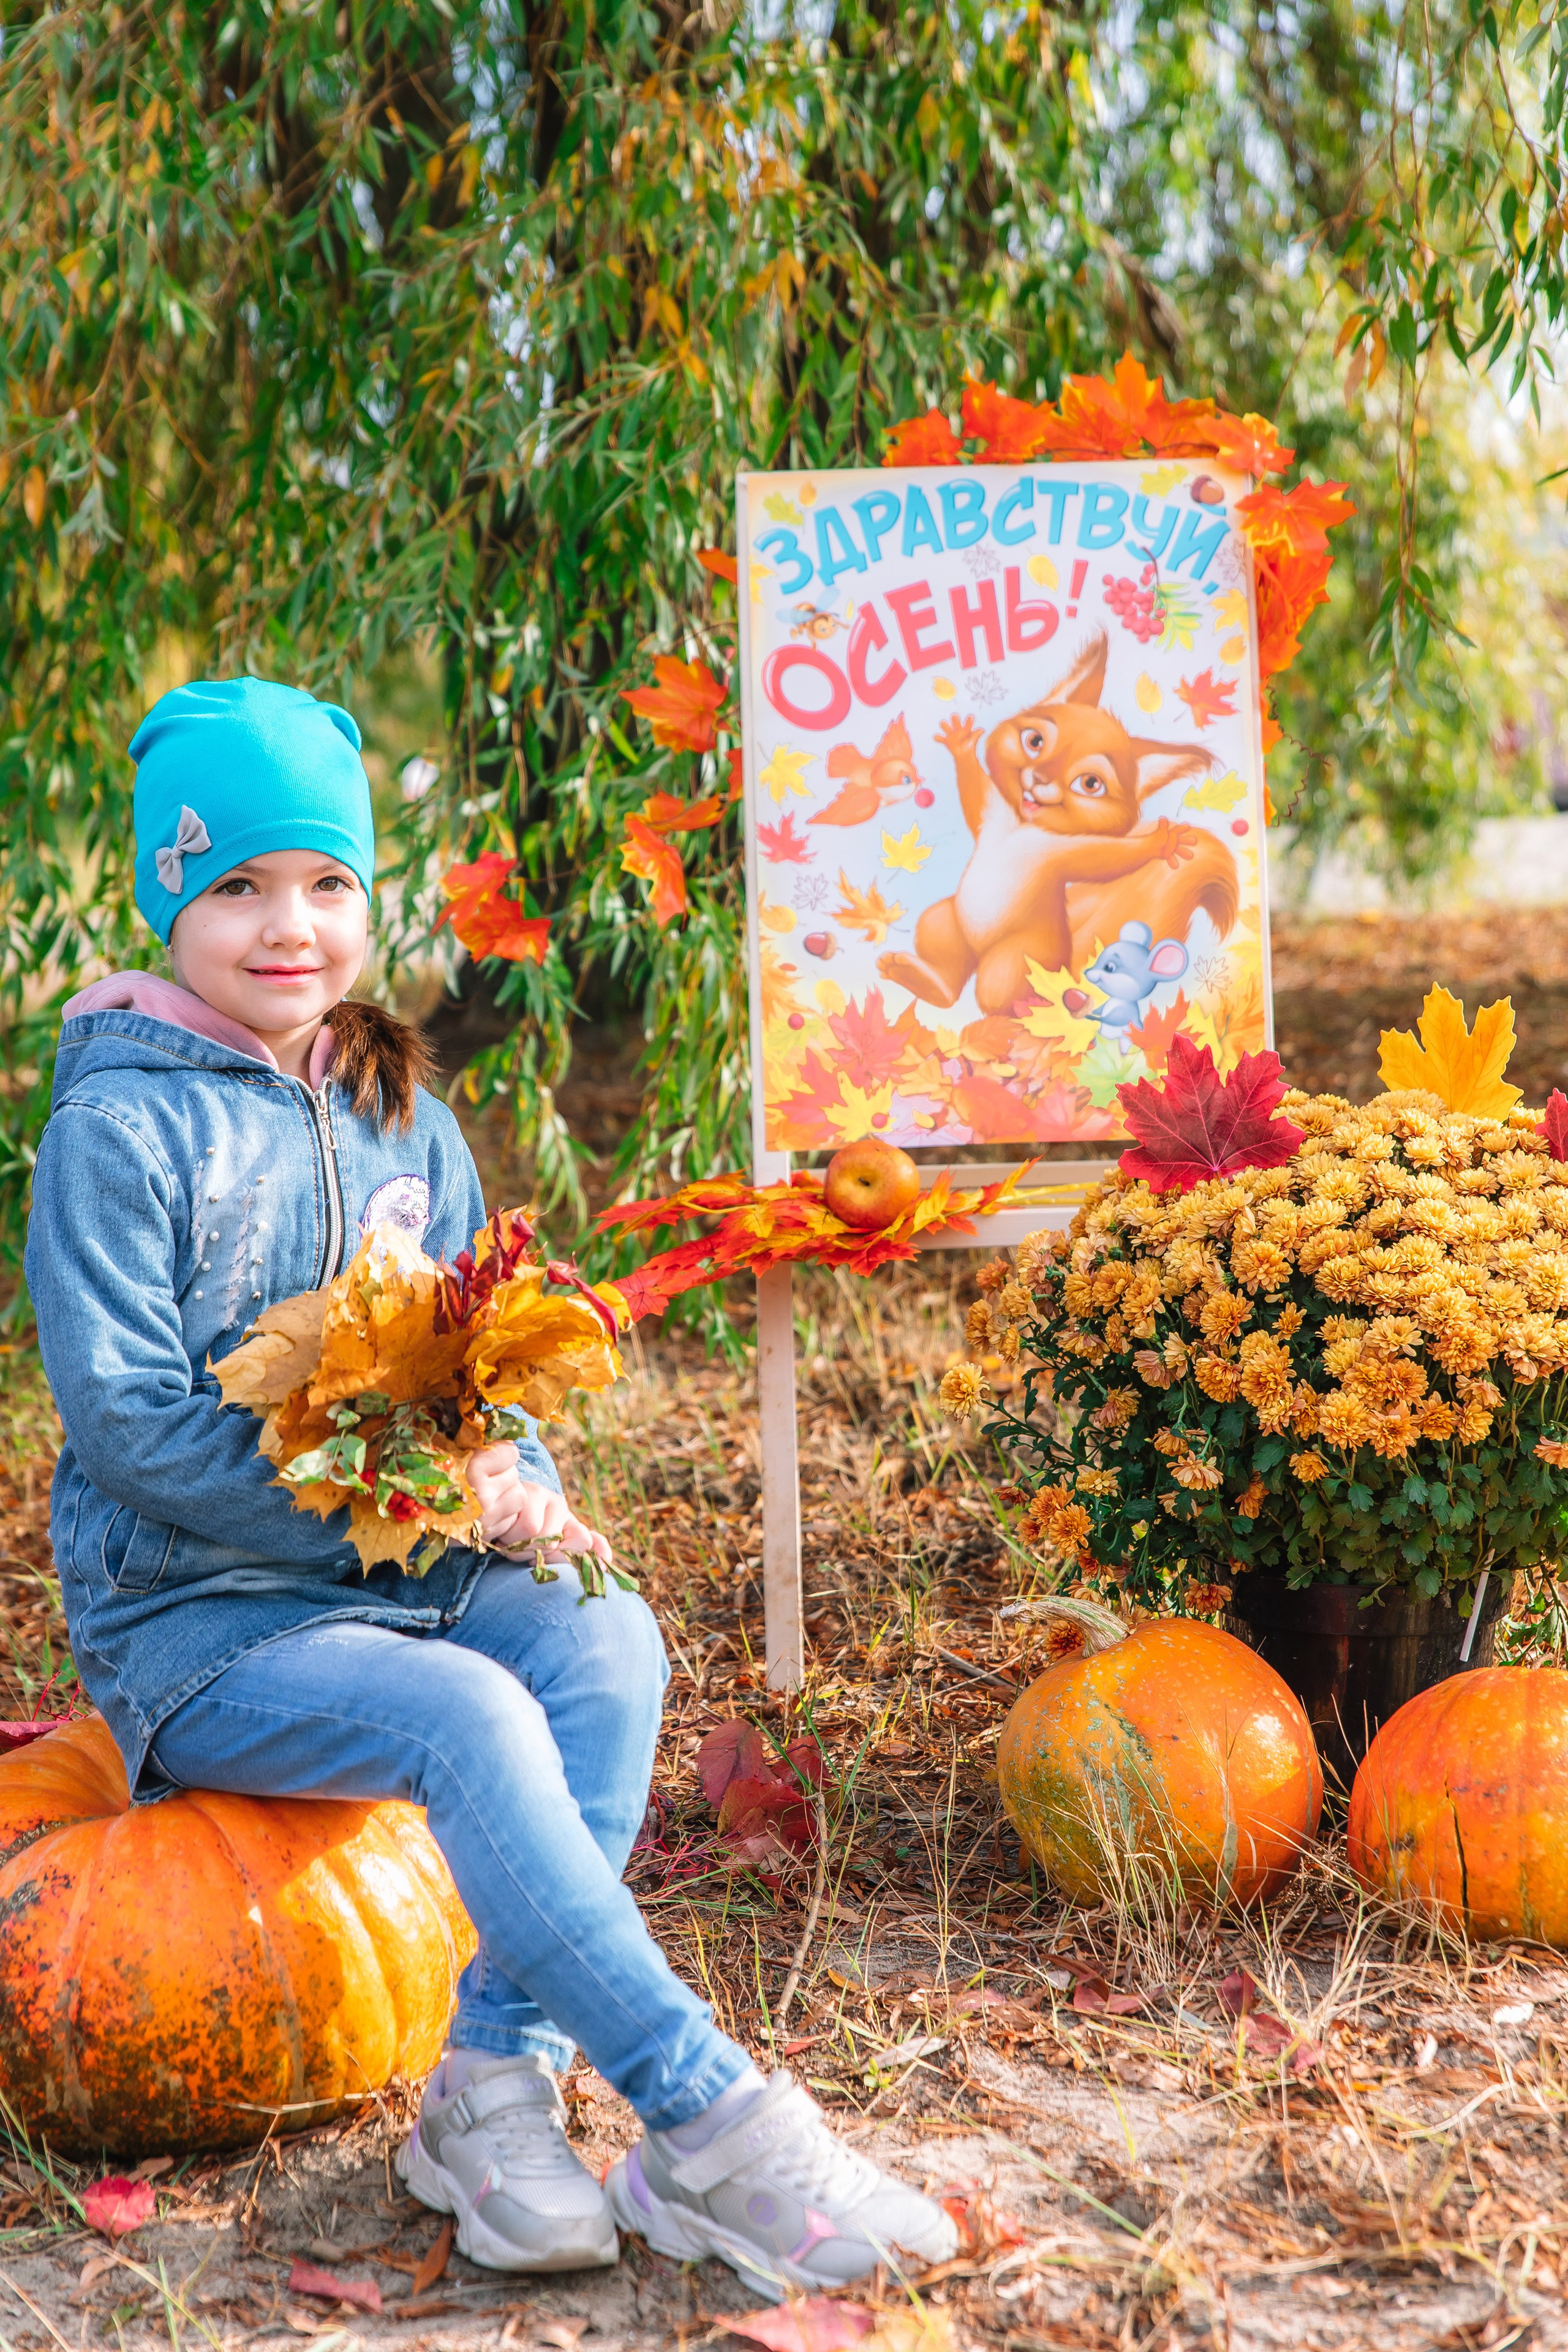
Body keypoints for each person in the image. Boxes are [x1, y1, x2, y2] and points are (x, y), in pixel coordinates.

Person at [24, 678, 956, 2300]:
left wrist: (521, 1478)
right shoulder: (117, 1135)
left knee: (603, 1636)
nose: (288, 925)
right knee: (471, 1716)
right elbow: (130, 1432)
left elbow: (478, 1359)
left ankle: (488, 2087)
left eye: (327, 881)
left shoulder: (410, 1123)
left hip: (409, 1570)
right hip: (202, 1622)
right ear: (169, 899)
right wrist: (399, 1500)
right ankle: (712, 2123)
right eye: (235, 885)